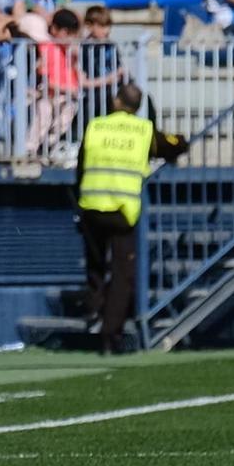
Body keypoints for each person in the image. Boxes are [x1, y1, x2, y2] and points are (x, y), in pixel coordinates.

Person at [76, 83, 155, 354]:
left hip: (92, 205)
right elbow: (166, 150)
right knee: (122, 275)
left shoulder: (96, 126)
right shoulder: (145, 130)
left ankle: (93, 309)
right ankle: (110, 335)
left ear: (116, 101)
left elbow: (80, 165)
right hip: (123, 212)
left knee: (95, 264)